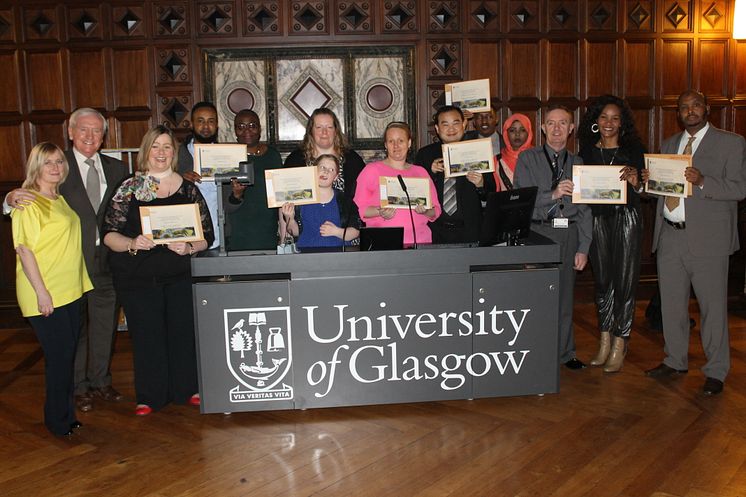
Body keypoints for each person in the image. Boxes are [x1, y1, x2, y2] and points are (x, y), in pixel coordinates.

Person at [4, 108, 128, 413]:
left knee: (104, 325)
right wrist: (8, 199)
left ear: (104, 136)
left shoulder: (118, 169)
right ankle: (78, 387)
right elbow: (27, 196)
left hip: (108, 263)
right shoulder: (58, 165)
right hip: (68, 268)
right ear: (70, 132)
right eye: (83, 130)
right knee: (75, 332)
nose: (90, 136)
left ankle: (100, 381)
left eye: (96, 131)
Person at [102, 125, 214, 415]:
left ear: (174, 153)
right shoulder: (129, 188)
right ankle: (149, 396)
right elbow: (109, 234)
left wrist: (189, 248)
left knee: (182, 334)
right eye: (156, 146)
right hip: (139, 278)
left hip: (179, 276)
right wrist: (132, 242)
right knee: (147, 337)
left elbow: (207, 235)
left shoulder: (188, 188)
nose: (161, 152)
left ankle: (187, 389)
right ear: (146, 151)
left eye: (167, 147)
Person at [643, 90, 746, 396]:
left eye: (696, 105)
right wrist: (647, 182)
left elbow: (740, 188)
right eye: (684, 107)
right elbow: (660, 191)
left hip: (708, 241)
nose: (690, 111)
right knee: (672, 306)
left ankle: (716, 370)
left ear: (707, 108)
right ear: (678, 113)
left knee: (713, 309)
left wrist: (702, 182)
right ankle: (675, 360)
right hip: (670, 237)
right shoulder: (668, 145)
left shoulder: (731, 142)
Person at [11, 143, 93, 436]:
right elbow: (24, 250)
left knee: (66, 356)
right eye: (48, 163)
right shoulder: (28, 202)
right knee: (59, 358)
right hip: (45, 291)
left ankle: (65, 415)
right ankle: (57, 421)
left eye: (59, 161)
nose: (56, 167)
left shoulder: (57, 197)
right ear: (36, 167)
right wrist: (42, 293)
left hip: (68, 288)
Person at [514, 104, 592, 370]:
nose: (556, 128)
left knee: (565, 297)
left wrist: (584, 246)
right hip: (537, 232)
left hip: (568, 233)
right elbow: (521, 200)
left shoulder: (579, 163)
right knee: (535, 295)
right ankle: (535, 349)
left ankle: (565, 352)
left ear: (571, 129)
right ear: (543, 128)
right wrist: (554, 194)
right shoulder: (527, 159)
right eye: (551, 123)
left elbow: (585, 209)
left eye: (563, 123)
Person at [577, 95, 646, 373]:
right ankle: (604, 340)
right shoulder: (587, 151)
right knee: (603, 282)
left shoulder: (634, 149)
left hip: (626, 218)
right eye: (604, 117)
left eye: (615, 118)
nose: (609, 123)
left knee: (625, 282)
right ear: (595, 121)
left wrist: (636, 181)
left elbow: (645, 190)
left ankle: (620, 342)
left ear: (622, 123)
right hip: (597, 220)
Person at [414, 106, 497, 244]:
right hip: (434, 232)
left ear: (464, 124)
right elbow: (416, 194)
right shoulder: (425, 155)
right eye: (445, 124)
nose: (451, 129)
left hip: (470, 232)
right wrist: (431, 173)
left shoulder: (478, 151)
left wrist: (480, 184)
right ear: (437, 128)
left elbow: (491, 193)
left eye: (456, 123)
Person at [355, 122, 440, 244]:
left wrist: (426, 211)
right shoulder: (371, 170)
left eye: (401, 141)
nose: (396, 146)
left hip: (419, 241)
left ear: (409, 143)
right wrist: (380, 211)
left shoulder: (421, 172)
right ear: (385, 145)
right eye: (391, 141)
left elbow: (436, 210)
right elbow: (358, 209)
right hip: (382, 241)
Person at [214, 109, 282, 251]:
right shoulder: (228, 158)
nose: (247, 131)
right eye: (241, 127)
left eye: (252, 125)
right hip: (238, 231)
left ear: (260, 129)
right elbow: (225, 206)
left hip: (267, 229)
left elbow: (279, 194)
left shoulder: (273, 156)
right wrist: (237, 195)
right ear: (235, 131)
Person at [279, 154, 361, 250]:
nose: (325, 172)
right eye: (322, 167)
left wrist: (336, 231)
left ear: (336, 177)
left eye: (331, 170)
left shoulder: (345, 201)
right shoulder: (301, 199)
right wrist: (290, 218)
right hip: (306, 255)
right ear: (314, 171)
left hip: (339, 257)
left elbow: (355, 232)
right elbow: (295, 232)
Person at [283, 108, 365, 199]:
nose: (324, 132)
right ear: (311, 131)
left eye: (329, 127)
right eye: (319, 127)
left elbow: (364, 195)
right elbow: (287, 197)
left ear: (336, 131)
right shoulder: (295, 160)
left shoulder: (352, 160)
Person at [177, 102, 221, 248]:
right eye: (200, 121)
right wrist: (180, 181)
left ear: (217, 125)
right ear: (192, 124)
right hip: (186, 237)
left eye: (211, 121)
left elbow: (231, 203)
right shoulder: (175, 156)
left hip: (221, 237)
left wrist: (237, 194)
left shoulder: (227, 156)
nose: (206, 127)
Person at [494, 113, 534, 191]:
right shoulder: (498, 159)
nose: (517, 134)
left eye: (522, 130)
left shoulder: (537, 157)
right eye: (512, 130)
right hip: (505, 202)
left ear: (529, 133)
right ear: (506, 133)